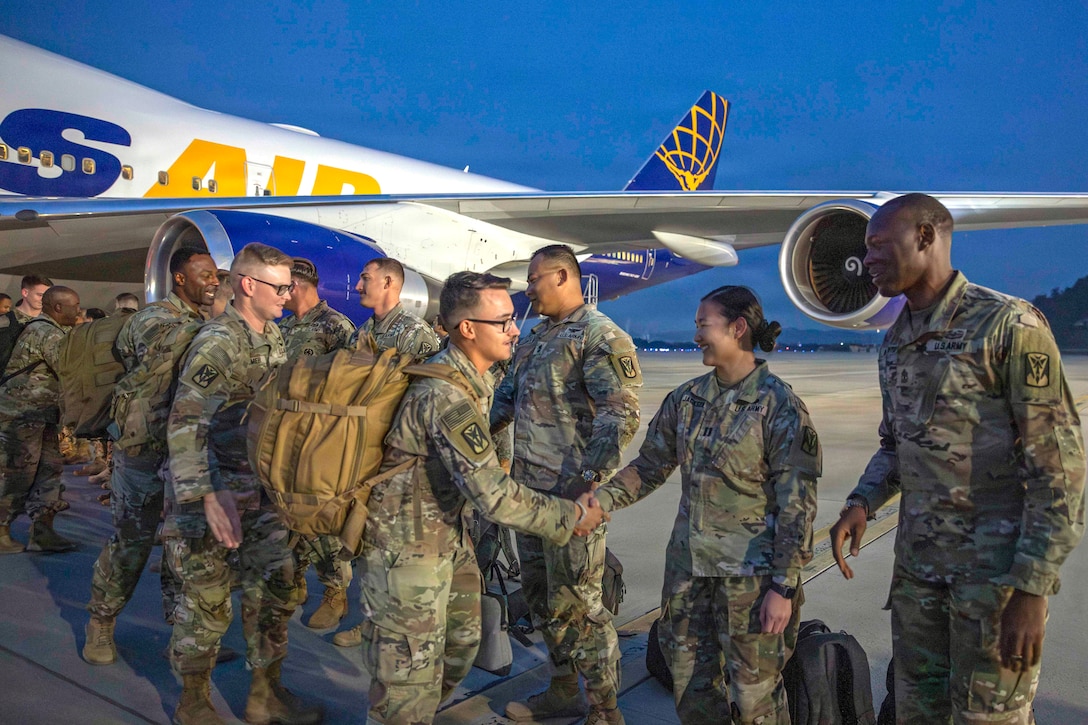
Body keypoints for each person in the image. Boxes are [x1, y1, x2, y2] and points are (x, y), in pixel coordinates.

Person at [829, 193, 1086, 724]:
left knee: (989, 718)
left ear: (926, 237)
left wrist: (1032, 590)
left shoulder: (1008, 326)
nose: (866, 259)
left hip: (995, 583)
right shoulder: (897, 339)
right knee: (917, 713)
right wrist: (862, 501)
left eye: (878, 245)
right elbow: (897, 445)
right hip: (920, 577)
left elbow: (1059, 471)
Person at [358, 270, 608, 725]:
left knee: (461, 644)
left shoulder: (476, 380)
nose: (515, 329)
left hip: (445, 542)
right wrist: (569, 515)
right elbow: (492, 494)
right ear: (468, 328)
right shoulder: (445, 395)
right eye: (504, 321)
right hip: (406, 555)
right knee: (406, 688)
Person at [594, 286, 820, 724]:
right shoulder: (687, 399)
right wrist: (600, 501)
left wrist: (784, 587)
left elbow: (799, 504)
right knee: (691, 689)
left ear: (737, 328)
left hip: (751, 585)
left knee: (758, 703)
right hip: (687, 578)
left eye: (703, 324)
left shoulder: (780, 406)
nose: (696, 334)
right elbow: (651, 465)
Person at [165, 243, 322, 725]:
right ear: (248, 286)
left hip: (262, 492)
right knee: (206, 603)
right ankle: (193, 703)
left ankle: (264, 694)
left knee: (274, 590)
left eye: (290, 285)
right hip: (214, 495)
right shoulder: (218, 341)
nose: (288, 294)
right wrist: (206, 494)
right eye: (279, 287)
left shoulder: (273, 334)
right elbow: (185, 421)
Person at [492, 244, 642, 725]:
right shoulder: (537, 337)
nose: (528, 288)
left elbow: (620, 415)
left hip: (571, 499)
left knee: (582, 607)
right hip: (527, 497)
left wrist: (590, 484)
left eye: (534, 278)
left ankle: (605, 710)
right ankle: (562, 690)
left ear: (561, 276)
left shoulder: (600, 337)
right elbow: (503, 404)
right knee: (540, 598)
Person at [82, 247, 220, 666]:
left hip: (188, 453)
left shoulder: (205, 324)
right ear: (180, 278)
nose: (214, 282)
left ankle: (183, 637)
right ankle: (101, 622)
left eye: (217, 275)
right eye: (205, 275)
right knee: (132, 542)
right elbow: (160, 348)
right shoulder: (158, 318)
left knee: (184, 549)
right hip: (143, 448)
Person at [278, 256, 357, 631]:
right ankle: (296, 581)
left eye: (282, 286)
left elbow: (352, 386)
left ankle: (334, 591)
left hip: (322, 440)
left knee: (323, 517)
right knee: (290, 514)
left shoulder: (336, 327)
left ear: (295, 286)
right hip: (286, 437)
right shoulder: (284, 327)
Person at [0, 285, 81, 554]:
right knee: (18, 473)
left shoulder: (54, 330)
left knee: (49, 470)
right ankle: (1, 529)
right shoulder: (46, 332)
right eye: (73, 306)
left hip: (43, 414)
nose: (78, 311)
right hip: (22, 414)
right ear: (58, 308)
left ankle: (43, 531)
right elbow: (69, 369)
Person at [351, 256, 439, 360]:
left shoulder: (415, 333)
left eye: (366, 278)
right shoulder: (360, 333)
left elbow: (425, 374)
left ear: (387, 282)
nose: (358, 287)